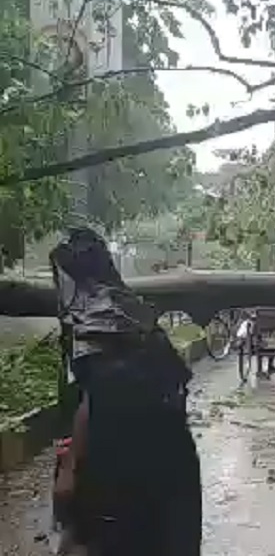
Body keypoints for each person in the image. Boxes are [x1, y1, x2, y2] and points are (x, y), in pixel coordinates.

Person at [50, 228, 202, 556]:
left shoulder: (88, 319)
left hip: (119, 467)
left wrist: (69, 470)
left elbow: (95, 396)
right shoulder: (135, 312)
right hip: (171, 464)